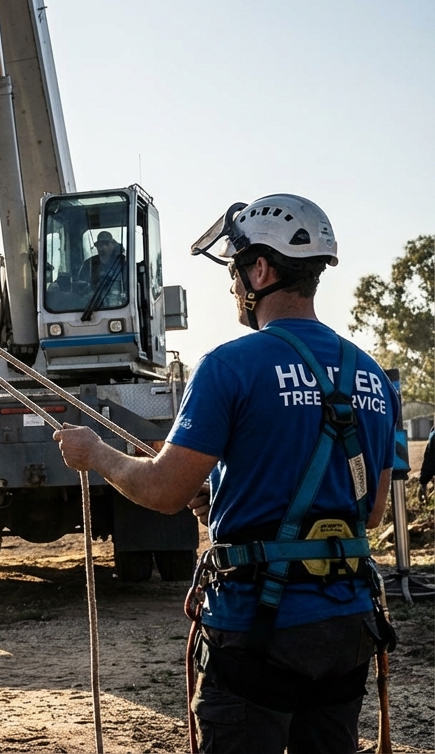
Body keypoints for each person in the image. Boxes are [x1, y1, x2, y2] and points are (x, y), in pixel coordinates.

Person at [52, 195, 395, 753]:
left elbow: (164, 491)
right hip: (347, 623)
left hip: (259, 627)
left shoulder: (229, 367)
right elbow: (369, 510)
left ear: (260, 269)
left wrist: (99, 456)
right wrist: (228, 499)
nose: (233, 285)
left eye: (236, 270)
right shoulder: (373, 378)